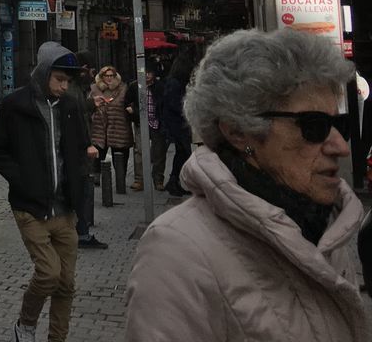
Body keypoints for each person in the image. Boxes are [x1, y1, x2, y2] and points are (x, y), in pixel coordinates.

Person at [123, 27, 369, 340]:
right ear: (238, 131)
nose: (340, 146)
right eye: (314, 127)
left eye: (340, 125)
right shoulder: (177, 251)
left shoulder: (326, 223)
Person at [0, 42, 93, 342]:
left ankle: (58, 338)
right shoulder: (16, 105)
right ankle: (26, 325)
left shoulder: (71, 106)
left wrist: (83, 170)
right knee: (49, 273)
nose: (64, 86)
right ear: (44, 73)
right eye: (59, 79)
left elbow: (81, 145)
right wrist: (22, 179)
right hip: (30, 208)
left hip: (65, 210)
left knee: (66, 284)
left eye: (68, 81)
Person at [62, 57, 105, 250]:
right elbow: (74, 117)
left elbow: (78, 110)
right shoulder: (71, 88)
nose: (92, 74)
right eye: (91, 70)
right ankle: (81, 234)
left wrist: (90, 103)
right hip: (77, 152)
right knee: (82, 191)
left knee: (84, 190)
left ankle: (82, 231)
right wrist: (86, 144)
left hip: (80, 150)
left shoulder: (77, 88)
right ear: (84, 69)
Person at [89, 65, 133, 191]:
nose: (108, 78)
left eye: (111, 76)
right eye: (106, 76)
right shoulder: (94, 89)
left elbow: (128, 103)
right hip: (99, 128)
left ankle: (121, 180)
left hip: (118, 127)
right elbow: (88, 105)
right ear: (102, 77)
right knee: (98, 153)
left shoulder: (123, 88)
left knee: (120, 155)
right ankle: (96, 177)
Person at [159, 51, 195, 197]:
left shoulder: (176, 82)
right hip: (176, 124)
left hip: (178, 123)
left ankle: (175, 182)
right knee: (184, 152)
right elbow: (173, 103)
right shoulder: (174, 83)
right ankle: (174, 181)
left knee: (183, 153)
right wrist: (186, 109)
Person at [125, 68, 166, 191]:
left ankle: (158, 179)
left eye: (150, 72)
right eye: (145, 72)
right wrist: (132, 112)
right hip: (140, 121)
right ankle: (139, 179)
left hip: (156, 122)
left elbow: (164, 103)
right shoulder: (134, 86)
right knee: (139, 151)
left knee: (159, 152)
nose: (147, 75)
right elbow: (127, 102)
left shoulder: (160, 86)